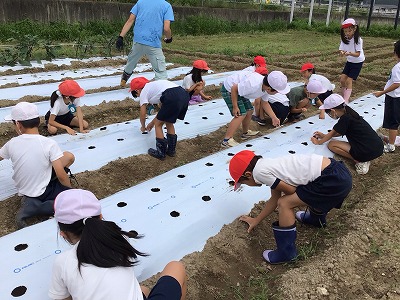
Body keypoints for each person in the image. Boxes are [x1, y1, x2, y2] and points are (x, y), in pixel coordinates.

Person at [49, 188, 187, 300]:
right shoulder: (118, 239)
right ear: (101, 217)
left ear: (63, 233)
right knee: (176, 266)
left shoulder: (62, 262)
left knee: (143, 289)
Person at [229, 150, 352, 264]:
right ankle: (316, 220)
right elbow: (274, 198)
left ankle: (286, 253)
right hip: (338, 171)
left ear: (248, 174)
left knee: (285, 203)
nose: (246, 185)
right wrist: (256, 220)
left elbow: (291, 191)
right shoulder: (266, 165)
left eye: (244, 183)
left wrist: (295, 202)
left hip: (331, 180)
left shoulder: (259, 174)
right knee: (309, 187)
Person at [0, 102, 74, 228]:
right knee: (68, 199)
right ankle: (40, 207)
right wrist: (69, 191)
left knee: (66, 156)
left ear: (18, 124)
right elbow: (61, 175)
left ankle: (30, 202)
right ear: (38, 122)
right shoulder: (48, 143)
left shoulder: (11, 143)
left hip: (24, 189)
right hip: (42, 191)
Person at [311, 94, 383, 175]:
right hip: (378, 147)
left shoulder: (345, 119)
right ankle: (364, 157)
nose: (329, 114)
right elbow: (339, 131)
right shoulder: (349, 112)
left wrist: (318, 142)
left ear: (333, 110)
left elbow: (332, 133)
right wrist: (324, 135)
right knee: (336, 142)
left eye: (328, 112)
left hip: (366, 151)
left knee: (331, 145)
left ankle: (360, 160)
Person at [129, 77, 190, 160]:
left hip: (172, 97)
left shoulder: (144, 92)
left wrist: (143, 126)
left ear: (137, 90)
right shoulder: (156, 87)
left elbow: (142, 115)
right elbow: (163, 111)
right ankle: (171, 151)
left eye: (137, 95)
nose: (139, 96)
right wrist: (151, 124)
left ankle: (160, 153)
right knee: (169, 122)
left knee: (158, 125)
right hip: (184, 95)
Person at [116, 0, 174, 86]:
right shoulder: (166, 6)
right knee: (160, 70)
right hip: (153, 43)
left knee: (131, 61)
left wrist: (120, 37)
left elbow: (130, 21)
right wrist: (169, 38)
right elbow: (166, 28)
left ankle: (124, 80)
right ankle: (160, 89)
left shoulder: (141, 2)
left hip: (138, 41)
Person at [220, 69, 267, 147]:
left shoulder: (266, 88)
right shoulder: (253, 84)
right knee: (241, 114)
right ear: (269, 87)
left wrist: (274, 118)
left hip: (239, 89)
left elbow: (265, 103)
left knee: (250, 110)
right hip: (229, 88)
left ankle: (245, 133)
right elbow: (234, 88)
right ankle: (226, 141)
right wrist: (235, 107)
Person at [373, 40, 400, 153]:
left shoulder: (397, 68)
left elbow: (397, 83)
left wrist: (382, 92)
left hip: (394, 98)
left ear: (396, 53)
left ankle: (391, 145)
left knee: (392, 122)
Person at [339, 18, 365, 104]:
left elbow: (357, 54)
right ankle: (343, 96)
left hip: (357, 62)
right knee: (342, 79)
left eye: (349, 31)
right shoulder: (344, 39)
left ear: (354, 29)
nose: (347, 33)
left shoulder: (358, 40)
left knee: (348, 80)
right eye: (345, 31)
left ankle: (346, 100)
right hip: (349, 61)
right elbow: (341, 50)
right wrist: (342, 53)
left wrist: (349, 53)